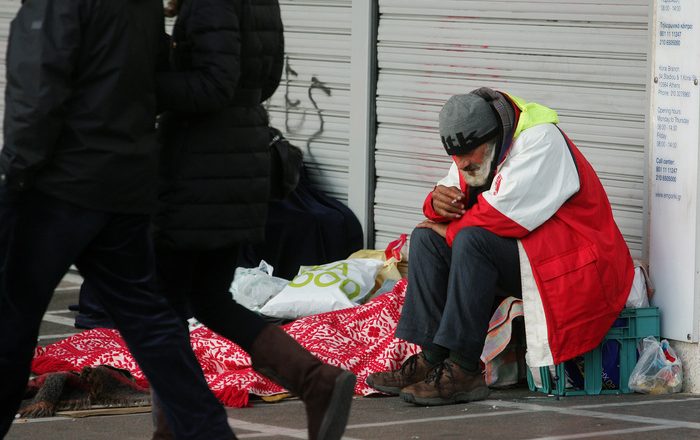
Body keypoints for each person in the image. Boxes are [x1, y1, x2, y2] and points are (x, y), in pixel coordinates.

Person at [0, 1, 236, 438]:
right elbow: (148, 74)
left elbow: (37, 89)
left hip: (58, 184)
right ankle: (208, 432)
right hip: (124, 179)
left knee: (11, 318)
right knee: (149, 322)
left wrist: (15, 171)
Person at [150, 1, 356, 439]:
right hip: (235, 165)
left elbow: (213, 85)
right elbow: (262, 80)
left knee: (160, 309)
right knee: (207, 298)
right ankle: (313, 379)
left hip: (199, 172)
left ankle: (177, 427)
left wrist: (146, 83)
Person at [366, 87, 634, 406]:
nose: (462, 163)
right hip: (531, 259)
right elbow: (449, 190)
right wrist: (437, 204)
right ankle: (432, 358)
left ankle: (464, 369)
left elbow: (500, 218)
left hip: (574, 268)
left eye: (469, 155)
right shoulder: (477, 148)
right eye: (456, 156)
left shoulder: (541, 140)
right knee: (426, 239)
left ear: (493, 138)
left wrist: (446, 227)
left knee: (470, 239)